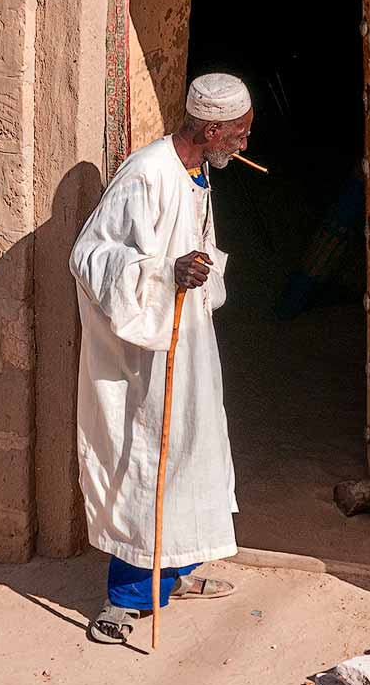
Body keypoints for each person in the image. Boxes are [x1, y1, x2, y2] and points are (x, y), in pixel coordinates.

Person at [69, 73, 253, 643]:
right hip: (147, 349)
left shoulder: (198, 175)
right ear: (213, 128)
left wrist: (198, 270)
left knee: (192, 452)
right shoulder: (146, 173)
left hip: (189, 339)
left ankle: (173, 571)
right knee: (149, 458)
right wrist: (161, 274)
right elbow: (91, 254)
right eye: (240, 133)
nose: (245, 144)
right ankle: (124, 598)